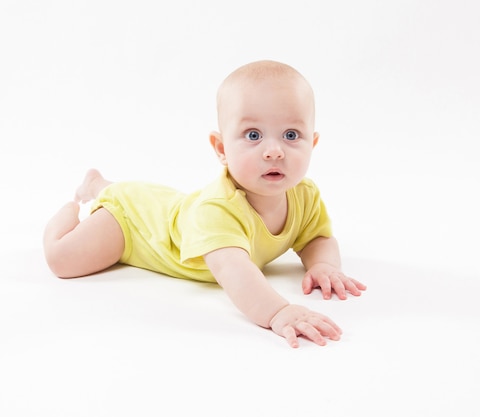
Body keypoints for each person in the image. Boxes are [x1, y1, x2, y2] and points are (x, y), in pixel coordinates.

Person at [43, 60, 366, 348]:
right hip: (133, 226)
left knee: (157, 200)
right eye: (253, 135)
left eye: (292, 135)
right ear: (221, 147)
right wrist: (279, 311)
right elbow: (234, 270)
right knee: (63, 262)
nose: (274, 151)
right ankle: (78, 204)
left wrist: (324, 265)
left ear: (314, 143)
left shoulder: (304, 194)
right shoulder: (219, 209)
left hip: (168, 208)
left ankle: (102, 184)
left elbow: (317, 238)